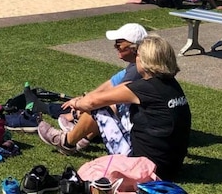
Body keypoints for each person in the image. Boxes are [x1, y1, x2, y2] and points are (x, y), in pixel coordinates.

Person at [47, 35, 191, 180]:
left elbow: (91, 102)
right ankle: (76, 139)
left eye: (138, 56)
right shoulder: (172, 85)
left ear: (146, 61)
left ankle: (66, 142)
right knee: (117, 106)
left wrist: (76, 103)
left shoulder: (144, 88)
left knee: (99, 107)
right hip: (171, 166)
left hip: (145, 166)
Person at [38, 23, 147, 155]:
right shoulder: (134, 66)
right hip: (146, 141)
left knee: (101, 106)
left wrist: (79, 106)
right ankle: (82, 136)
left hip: (133, 146)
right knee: (99, 103)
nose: (115, 47)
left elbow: (110, 98)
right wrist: (85, 98)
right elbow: (110, 84)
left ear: (134, 47)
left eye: (119, 43)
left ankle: (67, 142)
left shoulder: (137, 70)